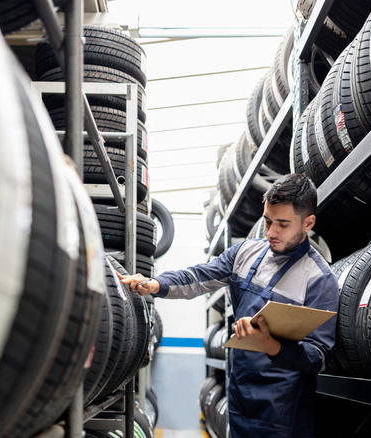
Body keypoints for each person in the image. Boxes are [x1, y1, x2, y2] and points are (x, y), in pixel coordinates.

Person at [117, 173, 339, 438]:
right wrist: (156, 284)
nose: (271, 232)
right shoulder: (246, 253)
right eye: (267, 221)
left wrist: (269, 345)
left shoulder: (319, 278)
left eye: (283, 224)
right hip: (240, 397)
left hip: (283, 412)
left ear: (308, 222)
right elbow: (199, 277)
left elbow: (320, 356)